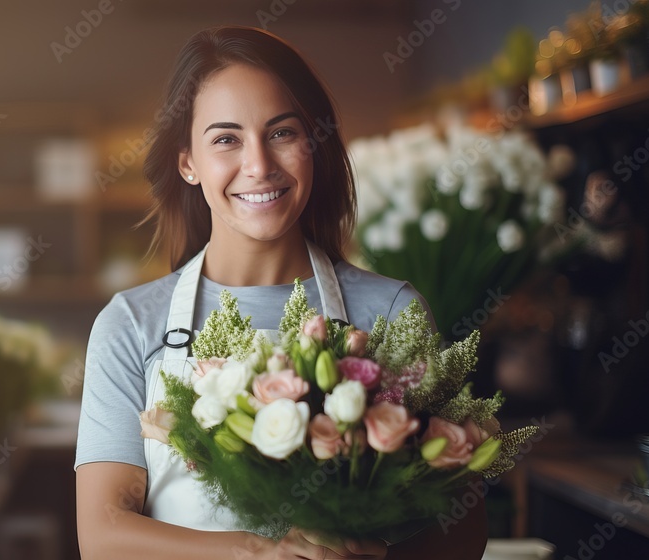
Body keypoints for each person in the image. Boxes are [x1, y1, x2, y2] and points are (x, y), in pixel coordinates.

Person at [75, 26, 487, 560]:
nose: (259, 165)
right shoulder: (131, 325)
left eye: (282, 133)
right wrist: (259, 553)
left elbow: (462, 527)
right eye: (226, 139)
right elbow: (103, 535)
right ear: (188, 163)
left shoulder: (391, 312)